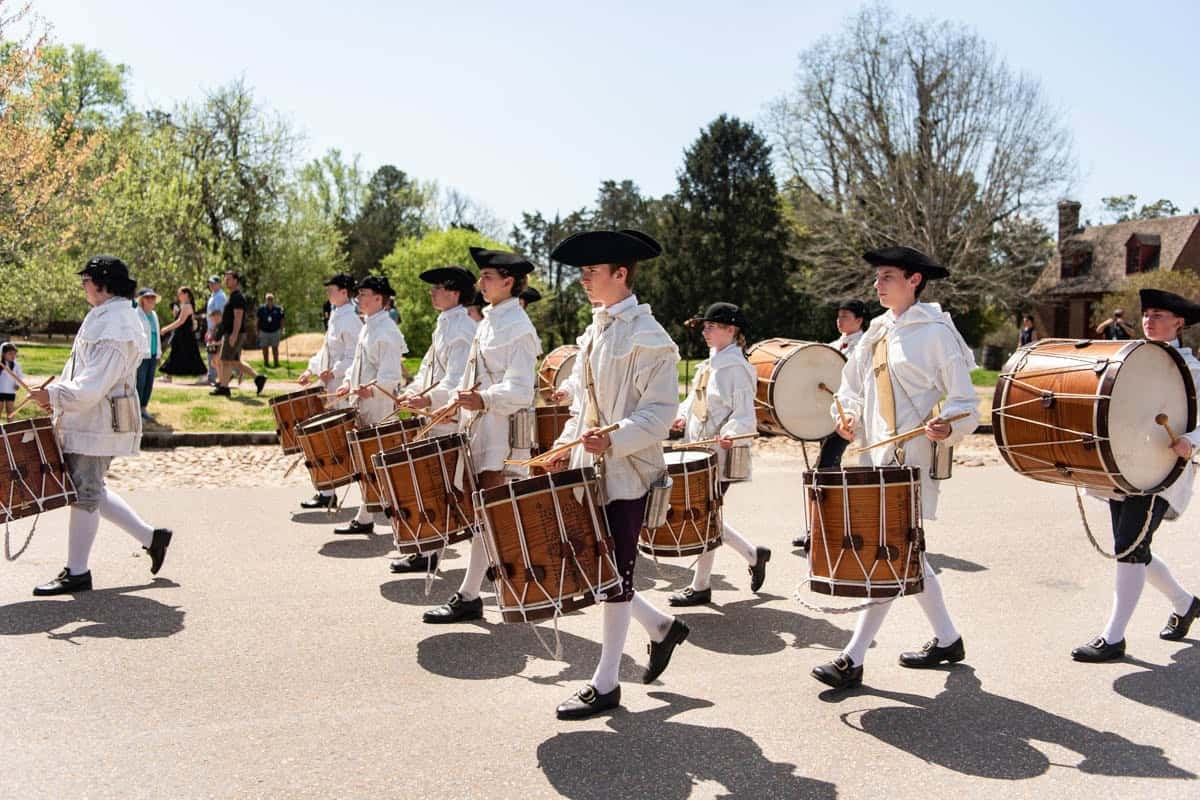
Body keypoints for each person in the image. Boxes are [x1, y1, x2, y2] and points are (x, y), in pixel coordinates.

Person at [811, 246, 980, 691]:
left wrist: (948, 426)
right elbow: (851, 390)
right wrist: (843, 418)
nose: (877, 284)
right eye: (877, 277)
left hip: (911, 461)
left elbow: (966, 403)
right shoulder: (877, 332)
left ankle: (852, 657)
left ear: (914, 281)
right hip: (875, 458)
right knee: (907, 554)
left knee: (888, 554)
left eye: (887, 276)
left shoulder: (937, 333)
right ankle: (948, 639)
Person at [540, 229, 689, 720]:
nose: (583, 280)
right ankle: (663, 629)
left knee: (616, 573)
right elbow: (584, 408)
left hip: (628, 472)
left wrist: (614, 438)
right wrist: (564, 446)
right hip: (590, 470)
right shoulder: (596, 331)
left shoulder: (651, 339)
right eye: (581, 273)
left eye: (591, 272)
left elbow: (660, 414)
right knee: (600, 568)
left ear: (620, 274)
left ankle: (606, 683)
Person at [28, 255, 172, 596]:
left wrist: (55, 395)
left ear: (104, 283)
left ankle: (77, 572)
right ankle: (152, 538)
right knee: (89, 488)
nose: (83, 285)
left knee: (85, 492)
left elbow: (94, 383)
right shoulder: (106, 316)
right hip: (88, 417)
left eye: (87, 279)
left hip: (100, 420)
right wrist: (54, 397)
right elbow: (81, 369)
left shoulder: (119, 324)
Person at [1071, 288, 1200, 662]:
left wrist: (1191, 441)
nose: (1149, 320)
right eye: (1147, 314)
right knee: (1131, 548)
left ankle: (1113, 638)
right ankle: (1186, 603)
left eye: (1159, 314)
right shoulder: (1126, 360)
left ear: (1179, 322)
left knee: (1129, 547)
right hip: (1124, 465)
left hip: (1161, 472)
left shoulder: (1192, 370)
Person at [422, 247, 541, 623]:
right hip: (479, 429)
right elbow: (466, 377)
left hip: (501, 434)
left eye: (488, 277)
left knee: (490, 513)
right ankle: (496, 587)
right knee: (487, 514)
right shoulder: (488, 322)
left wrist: (483, 398)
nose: (480, 283)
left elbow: (522, 390)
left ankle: (474, 593)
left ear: (509, 281)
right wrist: (440, 398)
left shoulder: (519, 327)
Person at [667, 302, 770, 607]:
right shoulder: (709, 365)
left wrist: (732, 433)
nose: (705, 331)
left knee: (704, 516)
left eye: (712, 326)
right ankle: (753, 555)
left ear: (731, 330)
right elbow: (695, 401)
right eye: (705, 326)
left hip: (718, 454)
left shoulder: (737, 369)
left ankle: (701, 586)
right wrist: (681, 416)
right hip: (697, 451)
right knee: (706, 516)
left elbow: (744, 414)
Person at [389, 264, 477, 573]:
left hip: (448, 418)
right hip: (433, 416)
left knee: (447, 490)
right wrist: (411, 391)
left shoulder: (464, 328)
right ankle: (429, 549)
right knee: (433, 486)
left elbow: (456, 379)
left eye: (437, 287)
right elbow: (428, 369)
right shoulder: (445, 324)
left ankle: (485, 554)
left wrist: (428, 398)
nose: (432, 292)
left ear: (455, 293)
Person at [332, 275, 408, 534]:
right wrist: (347, 382)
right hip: (364, 402)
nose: (358, 298)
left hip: (380, 407)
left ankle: (399, 518)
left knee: (380, 463)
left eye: (364, 294)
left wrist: (371, 390)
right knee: (368, 462)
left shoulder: (387, 331)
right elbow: (358, 362)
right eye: (359, 294)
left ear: (379, 299)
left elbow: (390, 375)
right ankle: (366, 516)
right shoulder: (369, 326)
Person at [793, 299, 868, 548]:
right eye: (839, 316)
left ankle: (822, 529)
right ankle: (820, 527)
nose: (840, 320)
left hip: (849, 416)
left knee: (825, 467)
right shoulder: (831, 347)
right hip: (829, 415)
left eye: (846, 316)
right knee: (824, 467)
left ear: (859, 320)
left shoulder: (865, 347)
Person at [297, 274, 363, 510]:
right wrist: (310, 369)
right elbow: (327, 350)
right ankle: (327, 490)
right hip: (330, 386)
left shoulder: (352, 319)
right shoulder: (336, 315)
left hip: (342, 387)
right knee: (326, 438)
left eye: (332, 289)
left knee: (343, 440)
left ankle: (369, 491)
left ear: (345, 292)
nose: (328, 294)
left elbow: (354, 355)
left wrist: (333, 373)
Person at [211, 271, 266, 397]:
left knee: (226, 360)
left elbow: (238, 316)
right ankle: (258, 378)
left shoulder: (237, 297)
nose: (226, 281)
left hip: (233, 333)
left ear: (236, 281)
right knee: (235, 362)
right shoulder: (232, 296)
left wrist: (234, 335)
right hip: (231, 333)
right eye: (226, 279)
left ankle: (224, 387)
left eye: (229, 279)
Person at [159, 287, 207, 382]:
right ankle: (168, 375)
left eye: (180, 294)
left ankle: (204, 375)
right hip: (182, 335)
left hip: (186, 336)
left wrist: (166, 328)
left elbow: (180, 321)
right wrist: (175, 313)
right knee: (175, 355)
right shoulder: (185, 306)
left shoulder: (187, 306)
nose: (178, 296)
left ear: (186, 294)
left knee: (192, 355)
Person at [133, 288, 161, 421]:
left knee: (149, 382)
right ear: (142, 300)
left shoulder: (154, 315)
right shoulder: (136, 314)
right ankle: (136, 410)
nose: (151, 300)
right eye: (148, 298)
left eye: (153, 298)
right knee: (140, 382)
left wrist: (159, 354)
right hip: (142, 355)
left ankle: (144, 407)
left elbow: (157, 335)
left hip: (153, 353)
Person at [205, 275, 226, 385]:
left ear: (219, 284)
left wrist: (213, 330)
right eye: (210, 283)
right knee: (213, 354)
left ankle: (213, 377)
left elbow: (218, 315)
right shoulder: (213, 295)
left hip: (217, 328)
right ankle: (215, 376)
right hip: (212, 328)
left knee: (214, 353)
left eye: (213, 283)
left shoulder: (220, 297)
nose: (211, 285)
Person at [256, 293, 285, 368]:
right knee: (264, 348)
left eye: (271, 299)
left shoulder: (278, 309)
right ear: (265, 300)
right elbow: (258, 320)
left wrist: (282, 329)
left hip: (275, 331)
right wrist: (257, 330)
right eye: (268, 299)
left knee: (275, 348)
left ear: (273, 300)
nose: (269, 301)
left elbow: (282, 320)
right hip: (264, 331)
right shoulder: (261, 309)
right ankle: (266, 363)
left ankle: (276, 363)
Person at [0, 342, 23, 421]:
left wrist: (17, 384)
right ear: (3, 354)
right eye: (10, 354)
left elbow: (20, 376)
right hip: (0, 391)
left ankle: (10, 428)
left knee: (10, 411)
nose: (13, 356)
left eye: (14, 354)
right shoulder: (0, 365)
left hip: (10, 391)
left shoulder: (16, 365)